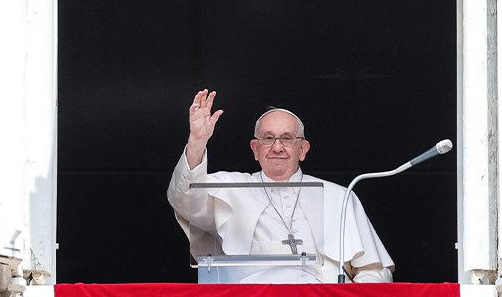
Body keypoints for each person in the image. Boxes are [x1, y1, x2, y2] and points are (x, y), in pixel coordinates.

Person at [167, 89, 394, 283]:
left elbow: (374, 271)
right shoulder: (229, 187)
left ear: (303, 149)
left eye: (287, 138)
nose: (277, 147)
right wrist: (197, 141)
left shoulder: (340, 196)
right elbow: (184, 200)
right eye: (267, 139)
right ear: (255, 149)